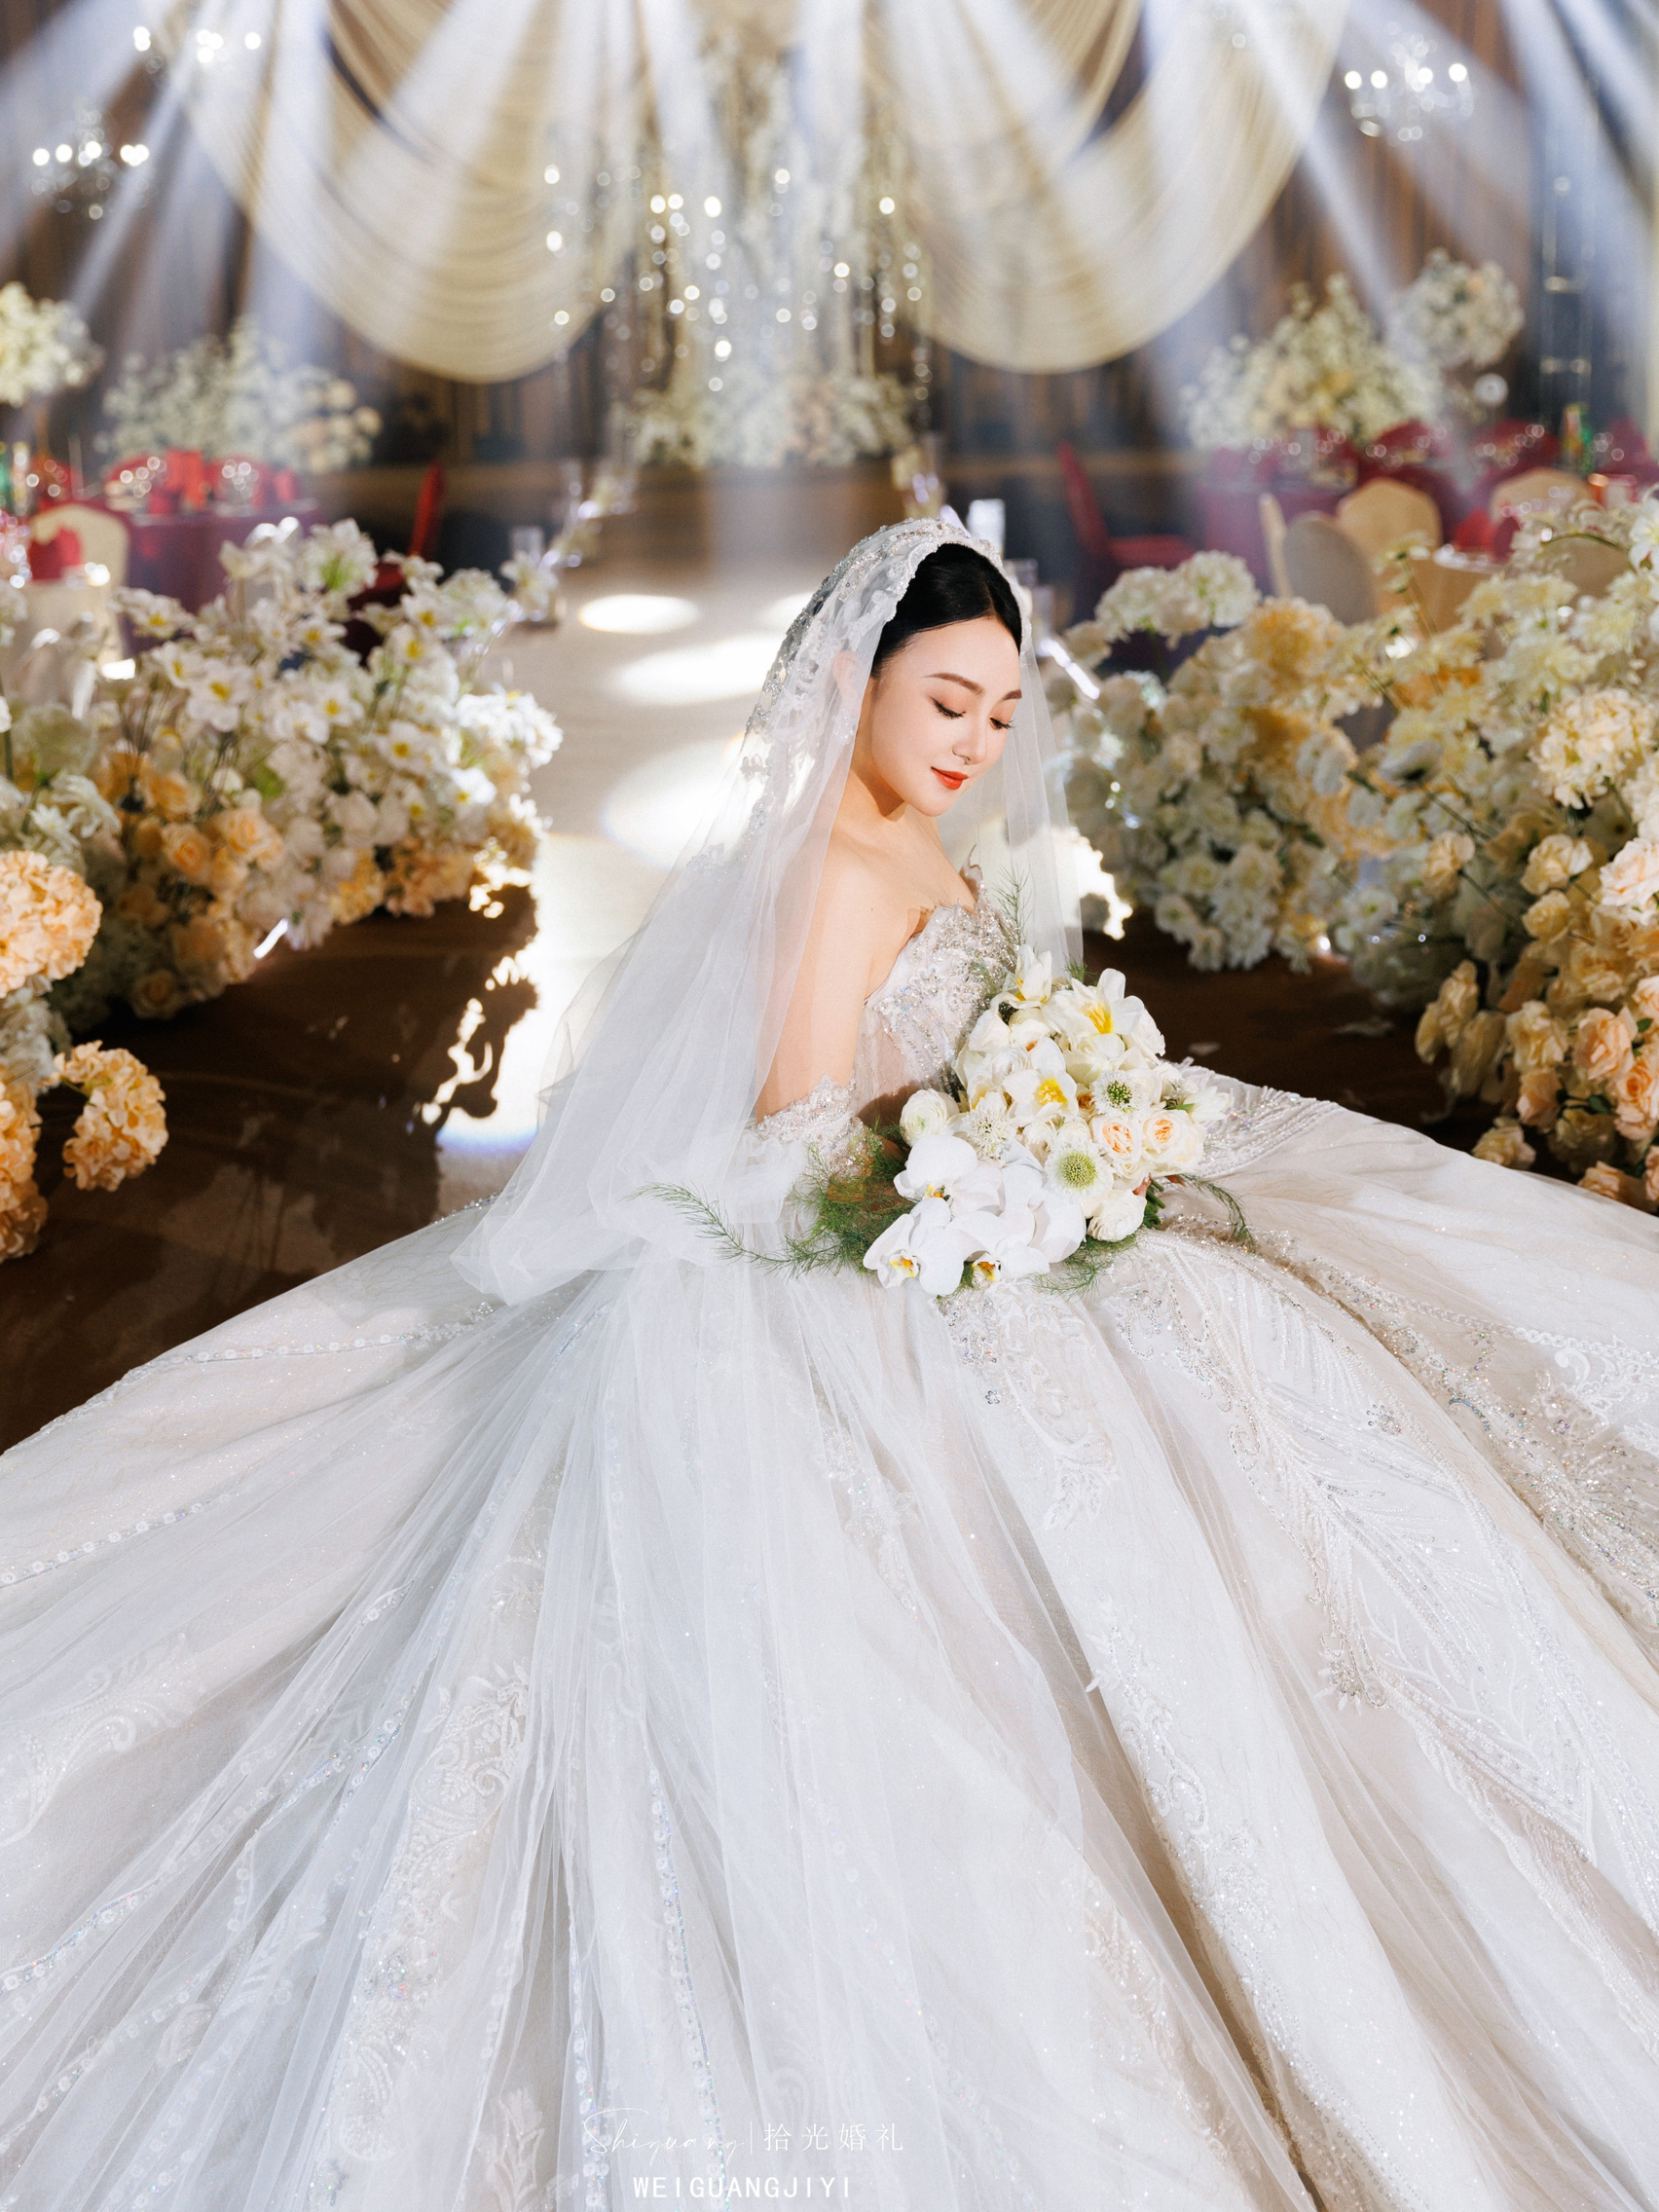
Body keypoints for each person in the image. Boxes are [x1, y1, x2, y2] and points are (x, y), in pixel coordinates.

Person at [3, 517, 1659, 2212]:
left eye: (1000, 715)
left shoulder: (920, 846)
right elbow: (793, 1145)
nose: (975, 743)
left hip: (988, 1192)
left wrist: (1067, 1119)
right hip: (884, 1241)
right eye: (947, 702)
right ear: (858, 678)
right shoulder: (827, 871)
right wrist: (1002, 1162)